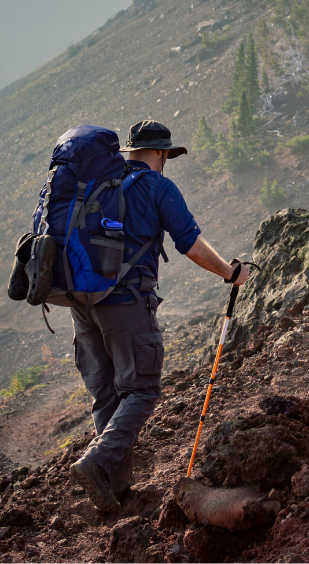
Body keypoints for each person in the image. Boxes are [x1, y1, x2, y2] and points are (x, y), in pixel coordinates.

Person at [68, 120, 251, 512]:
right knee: (142, 390)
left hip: (81, 304)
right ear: (163, 154)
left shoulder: (98, 185)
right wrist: (231, 272)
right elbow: (191, 244)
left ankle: (113, 491)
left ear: (130, 151)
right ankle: (96, 463)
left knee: (108, 395)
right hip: (126, 302)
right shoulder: (157, 187)